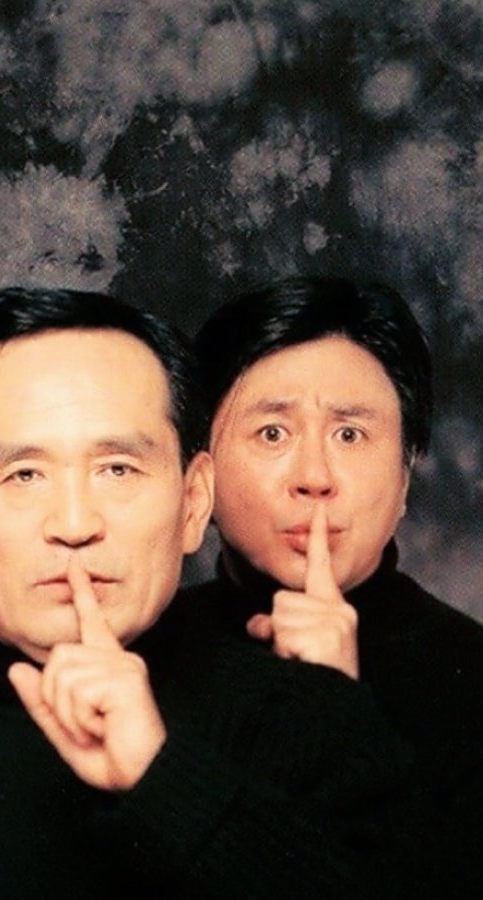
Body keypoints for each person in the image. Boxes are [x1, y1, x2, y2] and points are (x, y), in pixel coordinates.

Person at [0, 287, 423, 898]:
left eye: (117, 469)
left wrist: (163, 778)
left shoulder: (320, 726)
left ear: (193, 503)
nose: (73, 524)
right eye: (24, 475)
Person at [188, 275, 483, 896]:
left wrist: (338, 714)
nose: (315, 477)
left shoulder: (471, 676)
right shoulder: (138, 651)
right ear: (199, 474)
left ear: (405, 474)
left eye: (350, 435)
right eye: (273, 433)